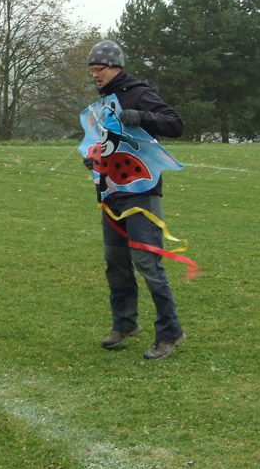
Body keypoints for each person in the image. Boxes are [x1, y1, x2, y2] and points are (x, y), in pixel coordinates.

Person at [83, 40, 186, 360]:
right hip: (111, 193)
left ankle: (170, 333)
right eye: (92, 71)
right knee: (115, 262)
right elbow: (106, 142)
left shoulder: (140, 93)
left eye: (98, 70)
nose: (95, 76)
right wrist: (93, 158)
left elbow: (175, 124)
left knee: (146, 263)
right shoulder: (102, 104)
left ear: (115, 67)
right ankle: (124, 323)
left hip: (142, 194)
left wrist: (140, 115)